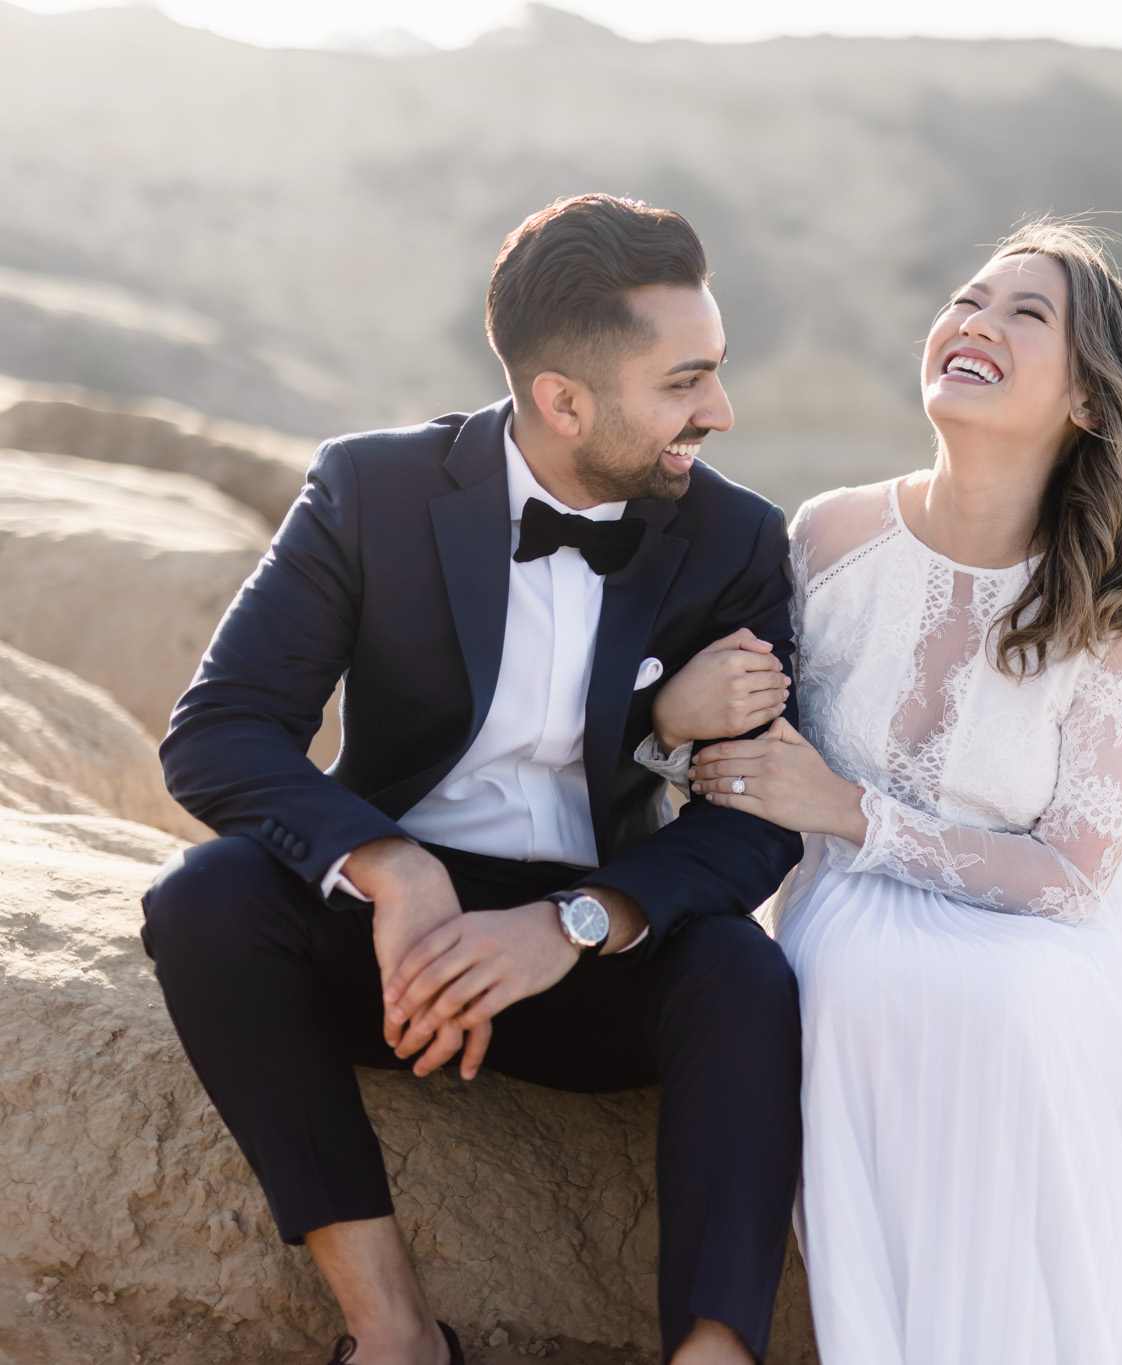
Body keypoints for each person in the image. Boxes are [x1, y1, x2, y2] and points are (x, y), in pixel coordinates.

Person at [644, 220, 1122, 1363]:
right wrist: (681, 726)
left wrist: (851, 811)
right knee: (854, 980)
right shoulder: (829, 536)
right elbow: (740, 756)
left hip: (1041, 925)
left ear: (1086, 399)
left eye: (1027, 316)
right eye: (969, 299)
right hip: (844, 900)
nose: (975, 324)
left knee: (1013, 1011)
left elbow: (1073, 871)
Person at [140, 194, 804, 1365]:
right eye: (685, 381)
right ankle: (393, 1332)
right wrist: (391, 872)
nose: (721, 411)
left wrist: (576, 920)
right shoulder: (371, 490)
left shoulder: (735, 540)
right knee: (207, 901)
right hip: (397, 959)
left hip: (595, 956)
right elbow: (221, 730)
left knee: (742, 973)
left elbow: (756, 829)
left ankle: (712, 1354)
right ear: (562, 399)